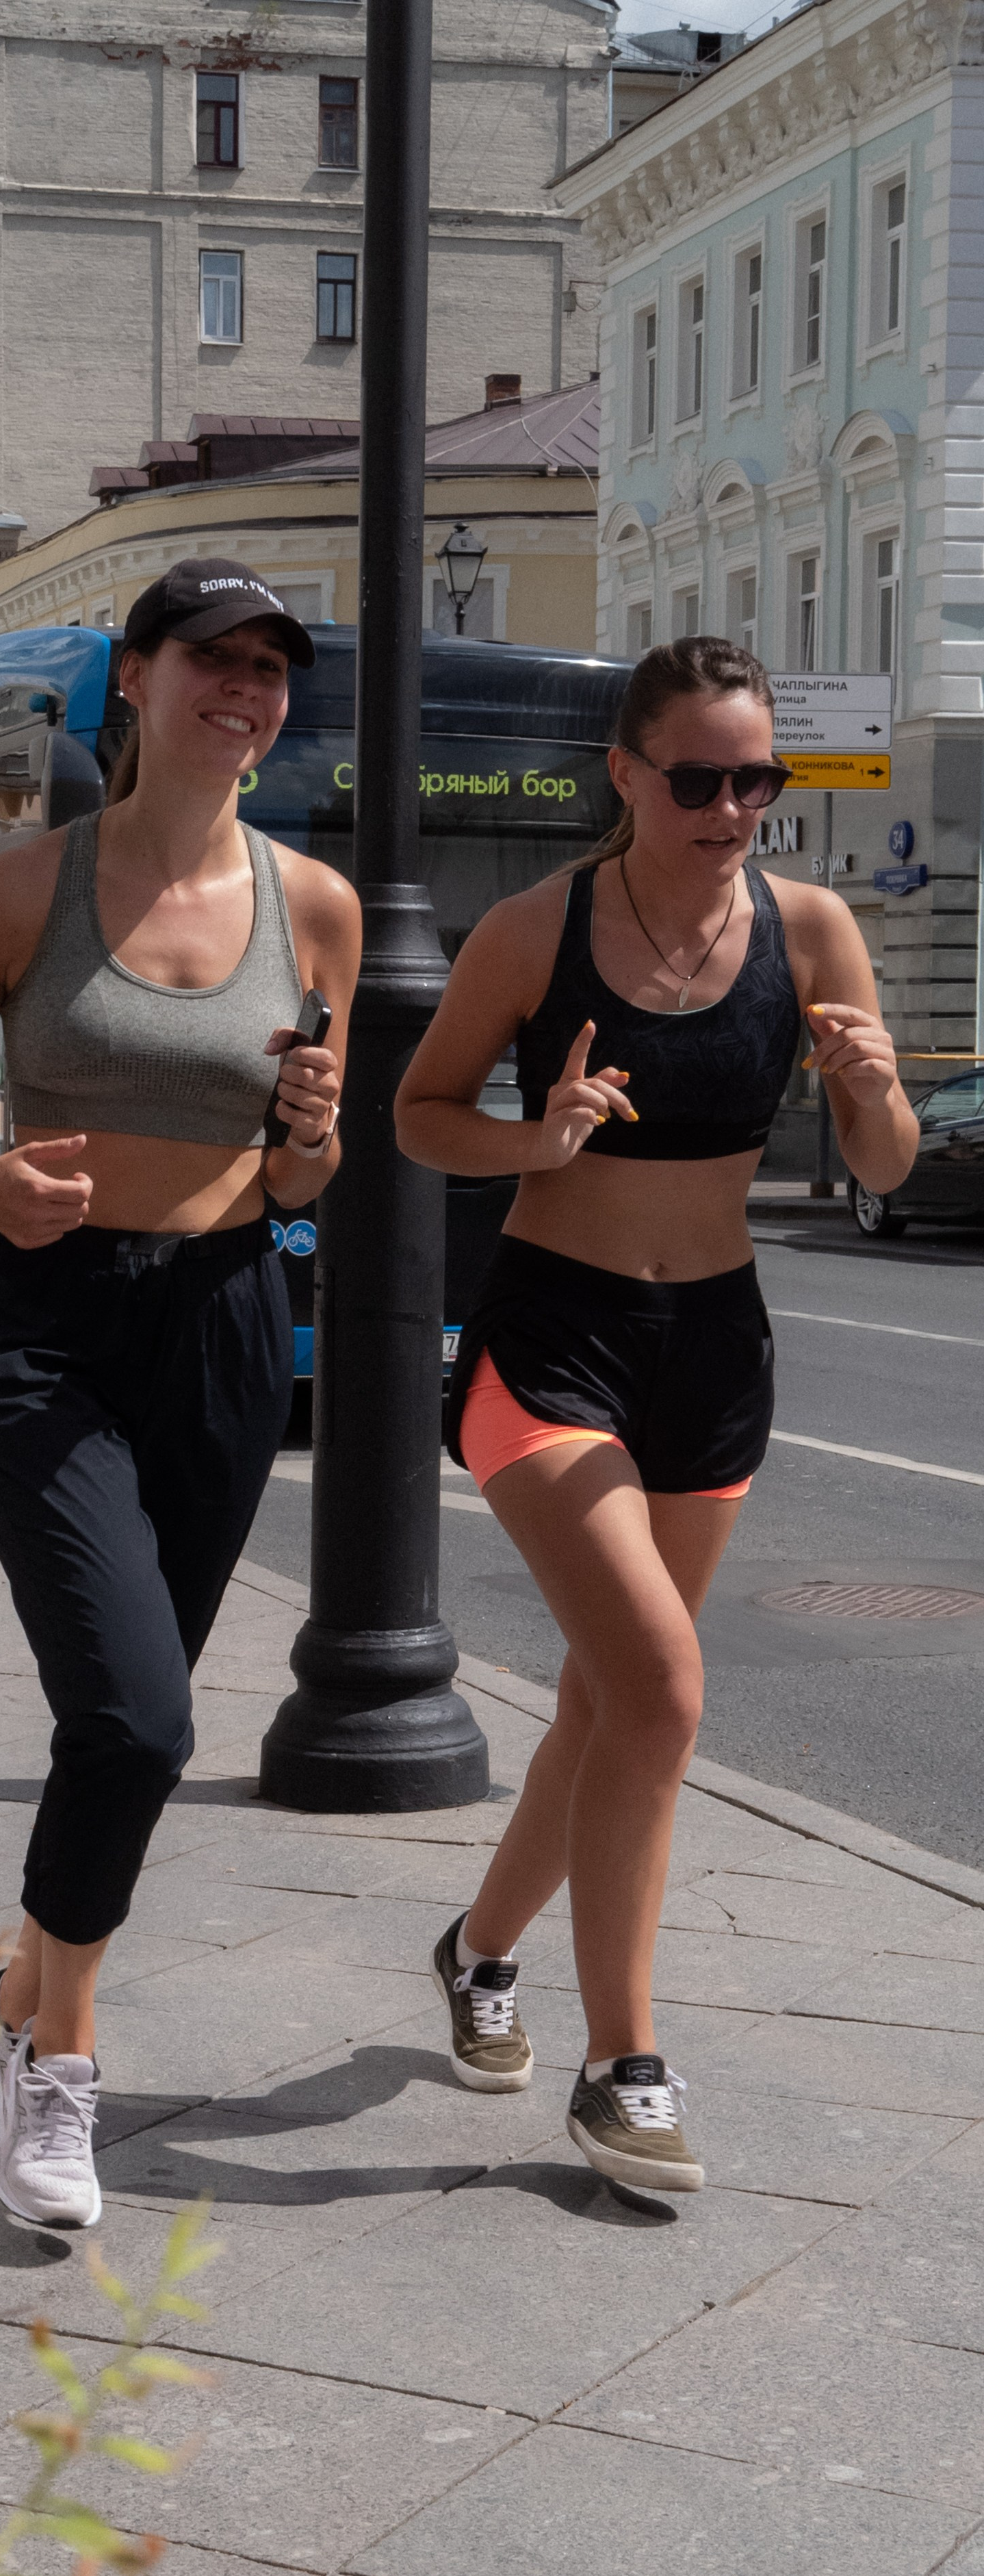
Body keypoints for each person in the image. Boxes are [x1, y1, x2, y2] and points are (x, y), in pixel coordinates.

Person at [0, 559, 361, 2230]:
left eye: (271, 665)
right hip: (45, 1327)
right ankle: (56, 2057)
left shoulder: (319, 906)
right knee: (137, 1716)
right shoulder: (25, 889)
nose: (247, 685)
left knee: (127, 1728)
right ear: (134, 681)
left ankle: (23, 1983)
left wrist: (306, 1142)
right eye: (211, 656)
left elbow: (304, 1181)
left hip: (226, 1321)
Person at [396, 635, 916, 2193]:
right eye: (697, 776)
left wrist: (872, 1085)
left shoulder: (811, 928)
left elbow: (884, 1168)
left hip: (715, 1350)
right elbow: (422, 1116)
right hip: (547, 1349)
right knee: (665, 1690)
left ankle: (480, 1949)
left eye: (758, 777)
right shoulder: (530, 929)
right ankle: (620, 2065)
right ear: (623, 774)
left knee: (609, 1702)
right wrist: (533, 1132)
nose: (732, 805)